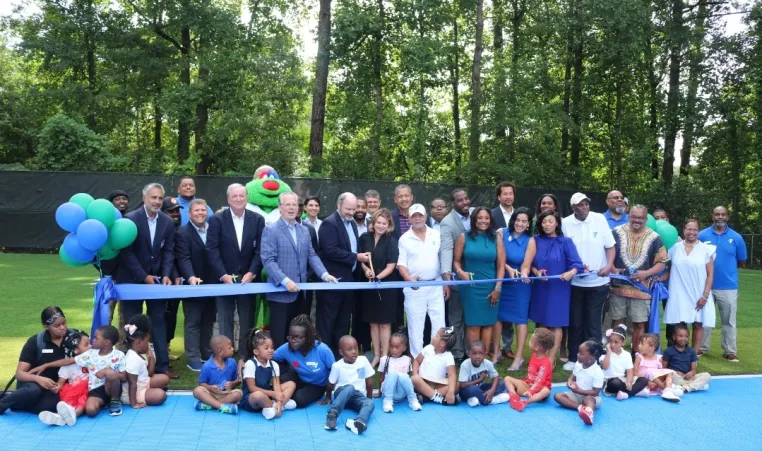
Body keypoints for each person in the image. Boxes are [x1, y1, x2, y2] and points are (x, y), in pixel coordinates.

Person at [115, 183, 176, 379]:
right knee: (132, 324)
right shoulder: (130, 219)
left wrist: (165, 274)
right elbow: (127, 253)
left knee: (158, 321)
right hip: (131, 280)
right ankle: (132, 367)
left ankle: (163, 366)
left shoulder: (167, 222)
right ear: (144, 198)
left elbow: (168, 251)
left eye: (160, 198)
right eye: (154, 198)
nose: (157, 201)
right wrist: (144, 277)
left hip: (157, 282)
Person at [261, 192, 336, 349]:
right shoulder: (271, 230)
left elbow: (311, 255)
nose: (291, 208)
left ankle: (296, 366)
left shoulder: (304, 231)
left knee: (299, 335)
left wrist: (325, 274)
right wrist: (285, 281)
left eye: (294, 205)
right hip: (280, 293)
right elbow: (268, 260)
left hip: (301, 294)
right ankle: (279, 367)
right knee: (280, 336)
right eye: (287, 204)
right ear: (280, 208)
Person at [206, 183, 265, 354]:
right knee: (225, 320)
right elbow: (211, 249)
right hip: (224, 279)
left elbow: (261, 250)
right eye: (235, 196)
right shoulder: (216, 219)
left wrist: (252, 272)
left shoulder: (257, 219)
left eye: (242, 196)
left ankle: (246, 356)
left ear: (247, 198)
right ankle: (225, 356)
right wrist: (222, 274)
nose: (239, 199)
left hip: (248, 280)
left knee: (247, 320)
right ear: (228, 199)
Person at [561, 193, 615, 372]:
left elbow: (610, 246)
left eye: (585, 204)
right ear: (573, 208)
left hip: (598, 282)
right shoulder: (566, 222)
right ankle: (573, 357)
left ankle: (594, 358)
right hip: (575, 283)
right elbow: (564, 251)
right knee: (575, 321)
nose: (583, 208)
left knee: (593, 322)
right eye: (579, 205)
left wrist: (608, 266)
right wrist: (574, 267)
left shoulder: (599, 219)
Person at [523, 209, 584, 365]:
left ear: (557, 223)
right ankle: (541, 356)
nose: (547, 224)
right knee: (542, 323)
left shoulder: (566, 242)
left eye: (550, 221)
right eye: (543, 222)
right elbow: (532, 266)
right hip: (542, 289)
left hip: (560, 289)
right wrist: (537, 273)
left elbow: (578, 264)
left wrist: (570, 273)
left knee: (556, 323)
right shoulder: (535, 240)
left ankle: (551, 359)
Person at [610, 205, 668, 354]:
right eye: (634, 217)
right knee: (617, 321)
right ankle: (616, 357)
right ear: (629, 216)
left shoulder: (654, 237)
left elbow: (662, 261)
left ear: (646, 219)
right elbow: (607, 254)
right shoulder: (616, 233)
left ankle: (638, 357)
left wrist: (646, 273)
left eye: (640, 217)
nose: (637, 220)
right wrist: (612, 269)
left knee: (640, 324)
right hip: (618, 288)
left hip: (642, 290)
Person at [317, 193, 370, 354]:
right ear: (338, 205)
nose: (351, 212)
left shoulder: (352, 224)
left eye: (353, 209)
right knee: (328, 322)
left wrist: (363, 265)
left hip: (349, 282)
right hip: (333, 282)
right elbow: (329, 250)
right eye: (348, 209)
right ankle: (325, 355)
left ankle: (340, 356)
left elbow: (354, 248)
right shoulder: (329, 223)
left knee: (343, 322)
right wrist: (356, 257)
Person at [397, 204, 449, 358]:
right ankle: (417, 361)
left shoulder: (436, 234)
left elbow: (443, 259)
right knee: (415, 326)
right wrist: (408, 279)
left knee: (439, 324)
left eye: (420, 215)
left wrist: (445, 283)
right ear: (409, 218)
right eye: (414, 216)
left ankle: (437, 358)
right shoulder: (404, 239)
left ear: (426, 217)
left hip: (436, 284)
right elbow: (401, 264)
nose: (418, 218)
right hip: (414, 288)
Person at [0, 307, 70, 416]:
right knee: (34, 390)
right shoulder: (35, 342)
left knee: (53, 404)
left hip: (54, 387)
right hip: (33, 383)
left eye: (64, 323)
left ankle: (18, 404)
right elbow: (19, 374)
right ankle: (2, 405)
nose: (62, 328)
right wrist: (39, 379)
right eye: (57, 326)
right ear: (46, 326)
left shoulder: (74, 337)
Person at [699, 206, 747, 362]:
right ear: (712, 217)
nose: (720, 217)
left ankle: (729, 351)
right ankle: (700, 348)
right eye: (717, 214)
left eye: (723, 214)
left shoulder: (737, 238)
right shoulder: (702, 235)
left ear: (727, 217)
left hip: (728, 286)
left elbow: (741, 261)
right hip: (705, 285)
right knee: (704, 319)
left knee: (729, 320)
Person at [453, 207, 505, 353]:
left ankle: (483, 359)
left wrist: (498, 288)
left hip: (491, 287)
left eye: (486, 218)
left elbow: (501, 265)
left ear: (490, 220)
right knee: (473, 325)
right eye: (480, 218)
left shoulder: (496, 238)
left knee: (488, 324)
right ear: (474, 220)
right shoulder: (464, 237)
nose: (483, 221)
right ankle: (473, 358)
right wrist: (460, 272)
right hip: (471, 287)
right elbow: (456, 261)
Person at [175, 198, 215, 371]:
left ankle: (206, 353)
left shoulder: (213, 231)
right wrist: (190, 277)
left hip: (213, 284)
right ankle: (192, 357)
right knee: (193, 321)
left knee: (208, 320)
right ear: (189, 213)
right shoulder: (182, 233)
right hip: (193, 285)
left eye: (203, 210)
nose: (200, 213)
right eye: (197, 210)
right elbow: (183, 258)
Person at [664, 219, 716, 351]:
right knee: (679, 325)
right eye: (689, 229)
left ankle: (694, 355)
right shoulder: (674, 248)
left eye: (695, 229)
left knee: (698, 324)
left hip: (699, 292)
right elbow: (668, 271)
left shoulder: (706, 249)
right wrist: (655, 279)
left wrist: (705, 296)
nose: (691, 232)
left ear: (698, 231)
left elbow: (710, 274)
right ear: (683, 230)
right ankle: (680, 355)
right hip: (679, 292)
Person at [358, 208, 400, 367]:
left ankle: (384, 357)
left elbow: (391, 266)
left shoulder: (391, 240)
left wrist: (377, 277)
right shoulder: (364, 238)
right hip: (369, 287)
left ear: (389, 225)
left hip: (386, 287)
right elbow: (361, 259)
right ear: (373, 223)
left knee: (384, 323)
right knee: (373, 323)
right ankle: (376, 355)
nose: (381, 226)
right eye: (378, 222)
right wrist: (366, 270)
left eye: (384, 223)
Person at [439, 188, 472, 362]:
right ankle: (457, 353)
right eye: (460, 200)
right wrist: (447, 280)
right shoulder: (447, 222)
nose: (465, 202)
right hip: (457, 278)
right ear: (453, 203)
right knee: (455, 319)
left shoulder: (475, 215)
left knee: (471, 317)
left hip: (475, 277)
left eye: (466, 198)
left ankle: (470, 350)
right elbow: (446, 250)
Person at [497, 208, 532, 371]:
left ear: (528, 224)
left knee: (520, 319)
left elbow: (526, 264)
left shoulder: (530, 240)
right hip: (501, 278)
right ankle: (496, 351)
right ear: (513, 220)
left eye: (524, 221)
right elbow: (497, 257)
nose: (520, 223)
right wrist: (508, 268)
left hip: (519, 285)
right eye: (518, 220)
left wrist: (523, 274)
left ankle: (518, 358)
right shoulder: (501, 233)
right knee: (497, 316)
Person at [274, 315, 335, 408]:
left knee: (300, 399)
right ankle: (283, 398)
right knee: (281, 374)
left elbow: (335, 371)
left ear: (308, 337)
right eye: (290, 337)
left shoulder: (323, 350)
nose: (292, 341)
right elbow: (268, 357)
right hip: (299, 377)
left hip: (318, 384)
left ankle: (284, 399)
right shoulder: (287, 348)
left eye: (297, 337)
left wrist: (328, 395)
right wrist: (244, 361)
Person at [319, 335, 375, 435]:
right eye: (349, 349)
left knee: (370, 404)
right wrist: (328, 397)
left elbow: (369, 383)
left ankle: (359, 422)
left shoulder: (363, 360)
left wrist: (368, 398)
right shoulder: (337, 366)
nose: (354, 351)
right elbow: (330, 384)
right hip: (342, 393)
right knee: (350, 387)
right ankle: (332, 414)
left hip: (357, 397)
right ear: (341, 352)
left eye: (356, 348)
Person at [37, 330, 90, 427]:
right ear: (76, 351)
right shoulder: (67, 366)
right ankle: (63, 417)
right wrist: (56, 388)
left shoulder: (91, 358)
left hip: (87, 389)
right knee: (66, 403)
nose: (90, 346)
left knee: (82, 402)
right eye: (87, 345)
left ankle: (69, 415)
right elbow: (60, 383)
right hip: (72, 390)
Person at [75, 325, 126, 417]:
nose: (92, 340)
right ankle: (103, 403)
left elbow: (124, 377)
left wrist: (107, 371)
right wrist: (46, 365)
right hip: (96, 390)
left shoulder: (119, 355)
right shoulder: (90, 353)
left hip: (112, 387)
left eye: (96, 338)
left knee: (110, 373)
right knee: (90, 411)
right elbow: (70, 360)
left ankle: (114, 401)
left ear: (107, 342)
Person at [240, 329, 292, 419]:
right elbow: (252, 388)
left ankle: (277, 406)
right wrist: (274, 394)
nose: (271, 350)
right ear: (256, 352)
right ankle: (274, 406)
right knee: (258, 395)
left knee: (291, 384)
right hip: (251, 398)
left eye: (272, 347)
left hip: (268, 394)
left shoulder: (274, 364)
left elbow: (276, 386)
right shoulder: (250, 364)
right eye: (266, 348)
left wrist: (278, 400)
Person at [120, 315, 170, 409]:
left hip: (143, 383)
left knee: (165, 378)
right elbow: (132, 384)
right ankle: (136, 399)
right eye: (147, 342)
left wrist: (151, 358)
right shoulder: (132, 359)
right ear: (139, 343)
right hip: (134, 392)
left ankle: (149, 391)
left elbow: (150, 373)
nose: (148, 345)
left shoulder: (140, 352)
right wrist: (134, 403)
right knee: (161, 395)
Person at [553, 340, 604, 426]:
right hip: (576, 395)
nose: (577, 355)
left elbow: (595, 392)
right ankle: (580, 407)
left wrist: (579, 390)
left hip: (591, 398)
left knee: (588, 399)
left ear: (590, 358)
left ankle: (589, 412)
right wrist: (569, 382)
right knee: (557, 396)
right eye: (578, 352)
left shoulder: (597, 372)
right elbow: (573, 376)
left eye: (581, 353)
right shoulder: (578, 364)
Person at [504, 328, 554, 411]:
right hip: (528, 384)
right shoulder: (534, 355)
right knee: (507, 379)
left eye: (531, 341)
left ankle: (526, 402)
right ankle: (513, 396)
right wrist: (528, 388)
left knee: (546, 391)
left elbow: (539, 381)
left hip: (539, 389)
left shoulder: (545, 363)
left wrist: (530, 392)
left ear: (537, 347)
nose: (529, 342)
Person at [192, 335, 243, 414]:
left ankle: (209, 405)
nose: (233, 349)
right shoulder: (207, 366)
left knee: (238, 394)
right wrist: (210, 388)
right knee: (197, 391)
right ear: (220, 352)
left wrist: (232, 384)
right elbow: (201, 383)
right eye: (230, 348)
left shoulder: (232, 363)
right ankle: (222, 407)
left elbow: (237, 381)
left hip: (226, 394)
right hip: (211, 394)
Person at [161, 196, 183, 365]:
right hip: (165, 280)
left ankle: (166, 347)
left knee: (172, 315)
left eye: (177, 211)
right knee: (162, 315)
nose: (175, 214)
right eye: (171, 211)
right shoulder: (162, 230)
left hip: (181, 281)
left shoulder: (180, 230)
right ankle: (159, 350)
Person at [411, 327, 458, 405]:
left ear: (442, 344)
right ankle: (437, 397)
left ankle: (426, 397)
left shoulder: (448, 356)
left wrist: (450, 392)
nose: (433, 336)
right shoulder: (428, 348)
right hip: (422, 382)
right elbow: (416, 361)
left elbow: (452, 375)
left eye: (436, 336)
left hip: (437, 384)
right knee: (414, 378)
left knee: (457, 385)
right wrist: (415, 373)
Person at [599, 325, 648, 400]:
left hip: (623, 379)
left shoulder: (627, 355)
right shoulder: (605, 353)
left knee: (643, 380)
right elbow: (605, 367)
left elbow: (629, 371)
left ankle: (627, 393)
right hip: (610, 381)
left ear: (623, 343)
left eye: (616, 342)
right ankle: (636, 392)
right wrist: (608, 353)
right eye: (611, 341)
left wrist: (629, 382)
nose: (612, 345)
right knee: (615, 383)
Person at [377, 330, 421, 412]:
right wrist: (379, 393)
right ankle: (388, 401)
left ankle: (412, 399)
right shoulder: (384, 360)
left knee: (403, 376)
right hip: (388, 391)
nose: (394, 350)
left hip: (401, 393)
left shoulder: (407, 360)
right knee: (393, 374)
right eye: (391, 346)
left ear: (404, 348)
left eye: (397, 347)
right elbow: (381, 378)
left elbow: (408, 380)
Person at [458, 340, 509, 407]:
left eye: (481, 353)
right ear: (468, 354)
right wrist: (479, 380)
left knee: (502, 384)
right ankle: (491, 400)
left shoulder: (488, 363)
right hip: (467, 390)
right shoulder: (465, 365)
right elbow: (462, 385)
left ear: (485, 354)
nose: (477, 356)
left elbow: (496, 377)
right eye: (474, 353)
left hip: (481, 388)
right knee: (473, 389)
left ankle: (478, 399)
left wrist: (492, 391)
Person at [662, 323, 711, 393]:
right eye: (680, 336)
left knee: (707, 375)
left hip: (688, 377)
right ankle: (695, 386)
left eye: (686, 336)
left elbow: (693, 370)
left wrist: (691, 373)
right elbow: (663, 369)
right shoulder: (668, 351)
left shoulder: (691, 351)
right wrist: (675, 372)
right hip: (676, 377)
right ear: (674, 337)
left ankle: (685, 388)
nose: (683, 339)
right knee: (671, 375)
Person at [633, 333, 681, 402]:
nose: (639, 346)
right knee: (649, 372)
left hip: (655, 383)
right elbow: (635, 372)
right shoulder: (639, 357)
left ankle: (668, 390)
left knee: (669, 372)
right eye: (639, 343)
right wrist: (646, 382)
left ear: (651, 348)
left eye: (642, 344)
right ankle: (665, 389)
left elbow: (661, 372)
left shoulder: (659, 358)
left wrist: (660, 380)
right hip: (644, 381)